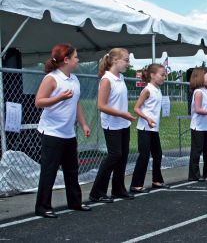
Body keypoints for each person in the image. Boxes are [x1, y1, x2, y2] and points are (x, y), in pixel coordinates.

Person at [35, 43, 91, 218]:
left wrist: (83, 124)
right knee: (49, 170)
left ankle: (74, 202)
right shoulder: (52, 78)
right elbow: (39, 101)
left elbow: (77, 104)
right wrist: (58, 97)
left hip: (68, 133)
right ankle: (43, 206)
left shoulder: (74, 79)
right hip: (51, 132)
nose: (78, 60)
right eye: (75, 57)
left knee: (72, 169)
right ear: (66, 60)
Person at [89, 48, 136, 203]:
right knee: (114, 155)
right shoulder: (106, 80)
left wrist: (124, 116)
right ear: (115, 60)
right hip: (112, 124)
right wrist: (122, 114)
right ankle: (97, 192)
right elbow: (101, 105)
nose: (128, 63)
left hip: (123, 123)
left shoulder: (120, 78)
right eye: (126, 60)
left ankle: (118, 188)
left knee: (122, 157)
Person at [129, 64, 170, 193]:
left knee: (157, 155)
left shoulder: (158, 90)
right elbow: (136, 108)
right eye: (162, 75)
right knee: (144, 156)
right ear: (152, 75)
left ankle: (157, 180)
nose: (164, 77)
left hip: (154, 129)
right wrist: (147, 118)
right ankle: (136, 184)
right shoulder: (147, 90)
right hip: (145, 129)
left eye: (165, 75)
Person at [188, 68, 207, 182]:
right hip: (198, 126)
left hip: (206, 126)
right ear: (200, 77)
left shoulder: (206, 91)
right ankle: (194, 175)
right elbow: (198, 109)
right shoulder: (198, 92)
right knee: (196, 151)